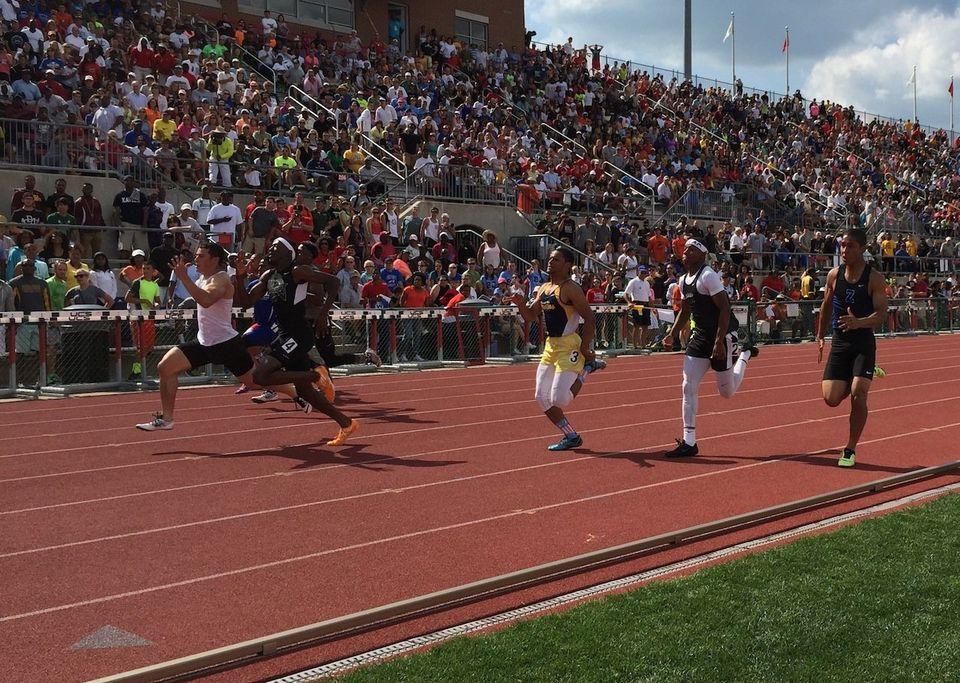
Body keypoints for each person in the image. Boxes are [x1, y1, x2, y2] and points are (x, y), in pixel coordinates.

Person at [136, 242, 297, 430]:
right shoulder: (202, 279)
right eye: (196, 255)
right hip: (204, 342)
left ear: (215, 260)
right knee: (165, 367)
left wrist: (183, 278)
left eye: (201, 256)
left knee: (255, 381)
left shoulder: (221, 279)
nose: (196, 259)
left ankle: (296, 391)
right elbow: (199, 297)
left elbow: (205, 300)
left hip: (226, 344)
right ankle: (167, 419)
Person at [234, 238, 359, 446]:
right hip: (283, 334)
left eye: (276, 247)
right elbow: (246, 301)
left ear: (287, 254)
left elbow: (333, 282)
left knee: (260, 375)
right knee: (305, 392)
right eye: (271, 246)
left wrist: (322, 315)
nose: (270, 249)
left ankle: (314, 374)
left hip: (299, 334)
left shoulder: (297, 272)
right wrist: (239, 276)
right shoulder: (268, 276)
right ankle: (346, 423)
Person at [663, 239, 758, 458]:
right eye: (685, 249)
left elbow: (725, 308)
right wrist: (673, 333)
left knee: (727, 392)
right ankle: (689, 442)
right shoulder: (683, 279)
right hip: (699, 338)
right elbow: (685, 310)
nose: (685, 252)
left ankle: (744, 354)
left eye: (691, 250)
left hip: (721, 335)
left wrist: (719, 341)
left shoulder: (708, 276)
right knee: (688, 385)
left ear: (702, 255)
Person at [510, 248, 605, 451]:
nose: (551, 261)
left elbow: (589, 319)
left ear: (567, 265)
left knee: (559, 399)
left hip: (570, 344)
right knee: (540, 396)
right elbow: (530, 316)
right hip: (551, 346)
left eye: (556, 259)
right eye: (550, 258)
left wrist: (585, 347)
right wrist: (519, 304)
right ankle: (571, 435)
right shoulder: (544, 288)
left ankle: (587, 368)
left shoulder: (571, 288)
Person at [816, 228, 888, 468]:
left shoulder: (874, 278)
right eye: (842, 245)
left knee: (858, 394)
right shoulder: (834, 275)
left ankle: (850, 449)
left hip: (863, 343)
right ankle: (859, 375)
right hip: (840, 342)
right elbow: (826, 305)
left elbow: (881, 314)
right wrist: (819, 335)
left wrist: (859, 322)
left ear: (863, 249)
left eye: (850, 246)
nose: (844, 250)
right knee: (831, 399)